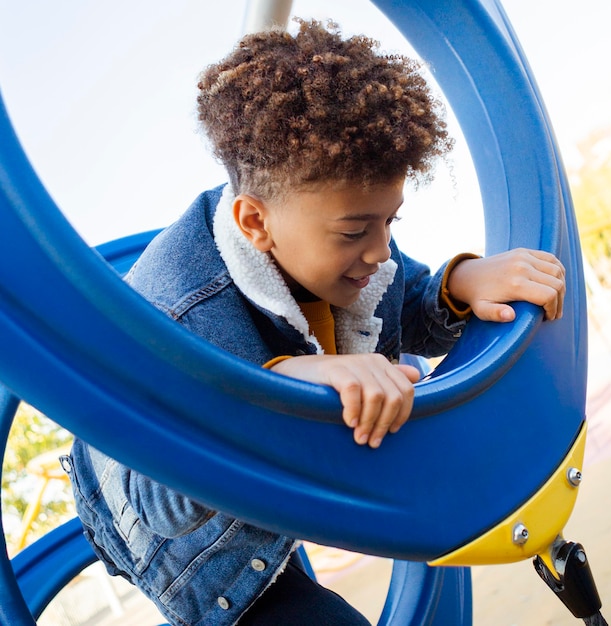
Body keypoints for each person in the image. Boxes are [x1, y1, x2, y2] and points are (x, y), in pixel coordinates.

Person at [62, 18, 565, 626]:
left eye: (391, 222)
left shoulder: (353, 248)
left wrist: (458, 285)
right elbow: (158, 502)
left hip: (265, 499)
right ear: (255, 223)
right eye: (356, 230)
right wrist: (283, 381)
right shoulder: (181, 310)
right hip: (176, 535)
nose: (380, 249)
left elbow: (404, 310)